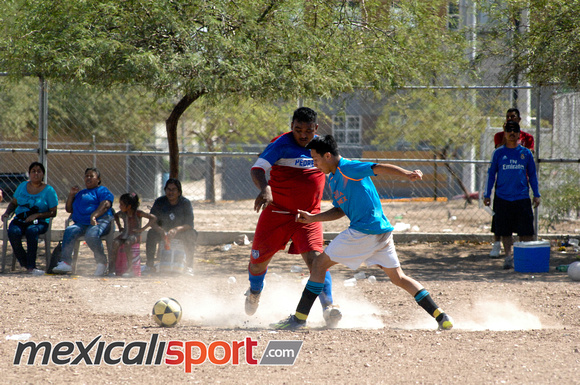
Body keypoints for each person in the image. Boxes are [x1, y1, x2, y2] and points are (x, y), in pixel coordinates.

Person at [271, 135, 454, 331]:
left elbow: (378, 167)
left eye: (316, 160)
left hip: (363, 231)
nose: (315, 165)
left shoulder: (347, 167)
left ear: (328, 155)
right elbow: (340, 210)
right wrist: (313, 218)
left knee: (318, 264)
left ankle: (299, 319)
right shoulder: (333, 178)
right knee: (398, 278)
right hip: (381, 233)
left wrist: (407, 174)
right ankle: (441, 316)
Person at [244, 107, 341, 328]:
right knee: (258, 264)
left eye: (308, 130)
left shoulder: (322, 147)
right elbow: (258, 168)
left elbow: (340, 167)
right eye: (298, 130)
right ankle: (255, 291)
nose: (303, 135)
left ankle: (329, 307)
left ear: (316, 128)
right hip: (276, 213)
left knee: (318, 261)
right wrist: (265, 188)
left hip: (308, 217)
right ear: (292, 127)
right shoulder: (280, 144)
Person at [484, 120, 540, 269]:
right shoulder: (499, 153)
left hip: (521, 196)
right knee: (505, 230)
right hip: (503, 197)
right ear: (505, 133)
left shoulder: (525, 153)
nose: (512, 133)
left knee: (526, 231)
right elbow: (491, 175)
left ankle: (525, 258)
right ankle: (508, 257)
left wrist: (536, 193)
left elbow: (532, 175)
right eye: (509, 130)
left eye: (515, 130)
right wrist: (487, 194)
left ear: (519, 133)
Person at [53, 167, 115, 276]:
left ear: (98, 179)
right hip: (81, 224)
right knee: (70, 230)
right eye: (87, 176)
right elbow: (69, 209)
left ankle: (102, 263)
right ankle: (66, 262)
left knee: (91, 235)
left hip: (100, 221)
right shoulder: (81, 193)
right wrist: (71, 195)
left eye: (92, 176)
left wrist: (94, 216)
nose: (88, 178)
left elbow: (106, 204)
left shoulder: (102, 190)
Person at [1, 162, 58, 274]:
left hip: (39, 221)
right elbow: (14, 203)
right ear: (29, 173)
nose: (36, 173)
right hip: (21, 219)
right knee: (13, 232)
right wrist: (7, 213)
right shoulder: (22, 186)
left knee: (31, 231)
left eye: (39, 171)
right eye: (33, 171)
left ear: (43, 174)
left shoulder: (49, 190)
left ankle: (32, 266)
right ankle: (26, 263)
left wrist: (37, 215)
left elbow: (53, 212)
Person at [144, 178, 197, 273]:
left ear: (179, 192)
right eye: (168, 189)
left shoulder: (185, 203)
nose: (171, 192)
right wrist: (160, 230)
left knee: (191, 234)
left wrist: (176, 229)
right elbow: (152, 221)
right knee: (151, 233)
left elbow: (189, 224)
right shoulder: (159, 202)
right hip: (162, 232)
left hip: (179, 232)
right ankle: (150, 265)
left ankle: (189, 267)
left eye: (174, 190)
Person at [109, 193, 156, 277]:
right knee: (115, 243)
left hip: (135, 236)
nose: (120, 206)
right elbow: (116, 215)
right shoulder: (123, 213)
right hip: (125, 234)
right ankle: (111, 269)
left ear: (129, 206)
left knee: (127, 243)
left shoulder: (137, 213)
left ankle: (130, 269)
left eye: (122, 204)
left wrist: (142, 229)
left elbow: (153, 218)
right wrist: (119, 226)